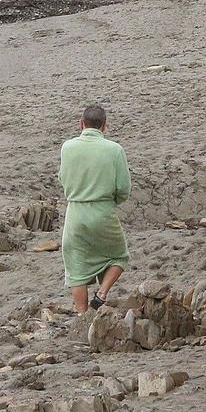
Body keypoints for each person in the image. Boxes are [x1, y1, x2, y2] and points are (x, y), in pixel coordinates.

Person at [58, 104, 130, 313]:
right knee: (118, 256)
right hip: (103, 211)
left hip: (75, 213)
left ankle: (82, 314)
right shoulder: (115, 150)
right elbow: (123, 188)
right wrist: (110, 201)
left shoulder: (67, 147)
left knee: (76, 266)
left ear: (81, 124)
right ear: (104, 126)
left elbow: (62, 178)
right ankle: (102, 292)